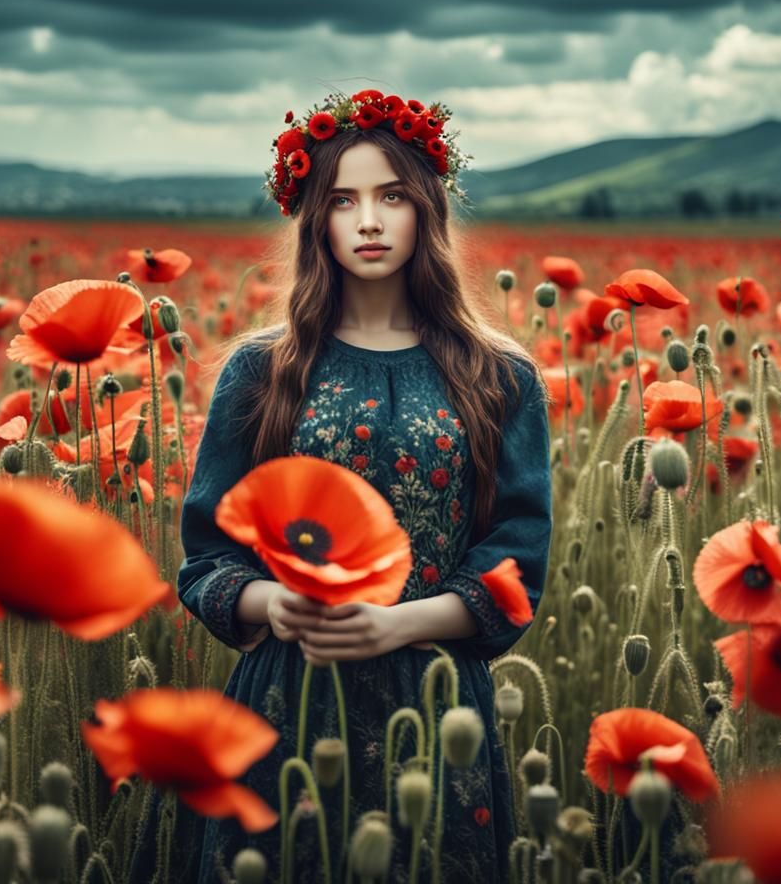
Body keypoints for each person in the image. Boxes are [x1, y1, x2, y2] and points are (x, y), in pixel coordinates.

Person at [130, 88, 553, 884]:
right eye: (343, 200)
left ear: (427, 208)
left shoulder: (499, 376)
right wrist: (271, 604)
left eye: (392, 196)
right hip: (289, 699)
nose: (368, 221)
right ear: (314, 219)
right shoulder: (262, 371)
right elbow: (207, 558)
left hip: (436, 704)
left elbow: (517, 565)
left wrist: (396, 626)